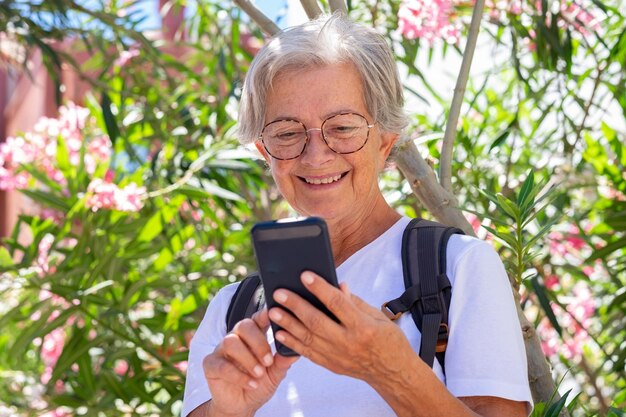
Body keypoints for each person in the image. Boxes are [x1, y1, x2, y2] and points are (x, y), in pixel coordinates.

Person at [182, 13, 532, 417]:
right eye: (287, 133)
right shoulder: (232, 312)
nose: (316, 156)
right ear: (265, 153)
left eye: (343, 127)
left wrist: (389, 371)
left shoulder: (458, 268)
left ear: (386, 142)